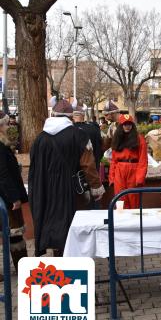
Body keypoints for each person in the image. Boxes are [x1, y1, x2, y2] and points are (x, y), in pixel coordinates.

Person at [29, 98, 104, 256]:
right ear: (70, 117)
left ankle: (59, 263)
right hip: (69, 190)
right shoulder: (78, 135)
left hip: (44, 189)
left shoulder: (40, 138)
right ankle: (70, 266)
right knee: (70, 226)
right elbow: (88, 165)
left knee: (52, 224)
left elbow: (35, 167)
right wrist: (96, 188)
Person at [0, 110, 28, 277]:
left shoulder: (4, 144)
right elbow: (2, 174)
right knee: (14, 233)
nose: (7, 126)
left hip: (5, 195)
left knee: (13, 234)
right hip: (5, 197)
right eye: (4, 124)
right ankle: (23, 269)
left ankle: (22, 267)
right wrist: (14, 197)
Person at [109, 114, 148, 209]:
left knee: (134, 199)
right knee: (120, 199)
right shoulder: (117, 139)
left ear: (132, 125)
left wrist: (140, 178)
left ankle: (135, 222)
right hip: (119, 171)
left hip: (133, 170)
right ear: (120, 125)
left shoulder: (139, 139)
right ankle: (121, 222)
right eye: (125, 124)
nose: (127, 126)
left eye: (129, 124)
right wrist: (112, 177)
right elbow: (113, 161)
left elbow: (143, 160)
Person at [73, 103, 103, 170]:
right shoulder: (94, 129)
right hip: (91, 167)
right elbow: (99, 149)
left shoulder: (68, 130)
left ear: (73, 116)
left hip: (73, 170)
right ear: (83, 116)